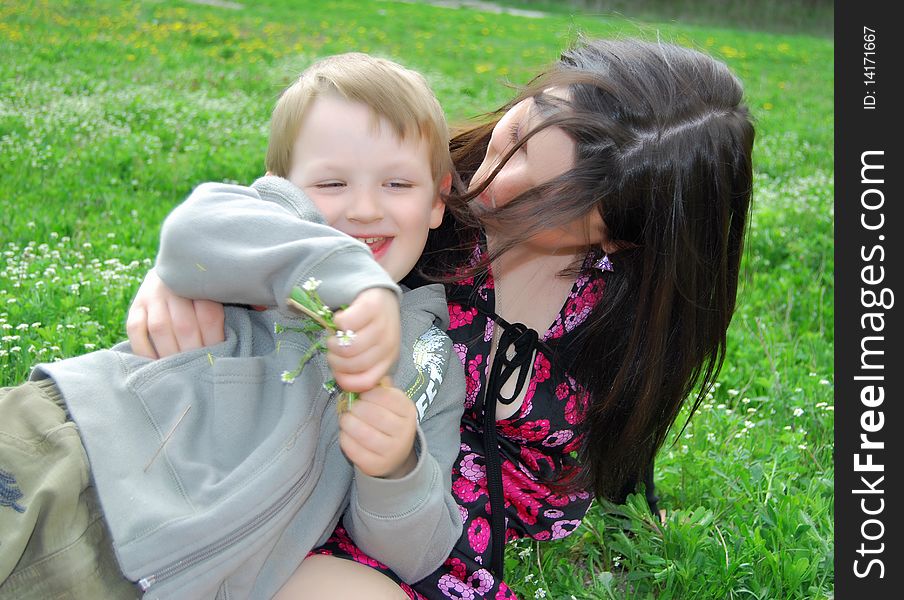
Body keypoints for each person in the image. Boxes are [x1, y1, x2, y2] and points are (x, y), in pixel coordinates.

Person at [128, 38, 755, 599]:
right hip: (341, 479)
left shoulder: (630, 312)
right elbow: (277, 221)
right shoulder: (415, 201)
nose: (490, 184)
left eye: (545, 198)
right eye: (517, 137)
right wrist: (175, 278)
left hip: (434, 518)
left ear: (622, 239)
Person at [0, 53, 467, 600]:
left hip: (173, 579)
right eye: (333, 182)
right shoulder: (258, 238)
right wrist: (354, 282)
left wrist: (395, 470)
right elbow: (193, 233)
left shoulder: (431, 361)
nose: (364, 208)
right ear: (279, 185)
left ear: (437, 200)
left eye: (396, 183)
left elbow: (417, 553)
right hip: (70, 456)